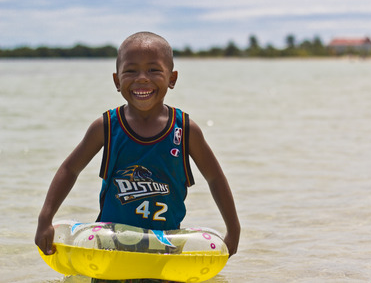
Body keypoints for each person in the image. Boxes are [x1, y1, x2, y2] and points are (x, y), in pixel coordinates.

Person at [35, 32, 240, 281]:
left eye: (154, 70)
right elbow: (70, 169)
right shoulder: (107, 127)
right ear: (117, 80)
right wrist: (46, 218)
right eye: (131, 71)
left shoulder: (184, 130)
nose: (142, 79)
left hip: (165, 251)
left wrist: (233, 228)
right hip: (111, 249)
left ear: (172, 78)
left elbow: (215, 178)